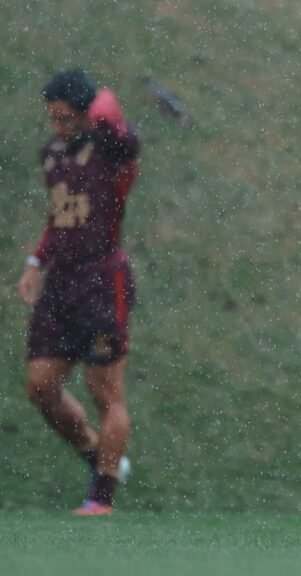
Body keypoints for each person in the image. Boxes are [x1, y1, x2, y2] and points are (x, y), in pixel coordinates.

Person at [17, 69, 140, 516]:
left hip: (102, 281)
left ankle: (101, 498)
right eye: (52, 118)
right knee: (40, 387)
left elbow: (130, 142)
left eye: (66, 119)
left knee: (104, 391)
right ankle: (96, 453)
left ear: (87, 116)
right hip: (61, 284)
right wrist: (36, 262)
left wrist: (105, 111)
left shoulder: (109, 150)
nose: (57, 128)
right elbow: (59, 216)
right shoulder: (52, 155)